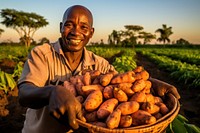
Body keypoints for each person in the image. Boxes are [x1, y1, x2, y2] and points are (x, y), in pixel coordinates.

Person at [18, 5, 180, 133]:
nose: (75, 32)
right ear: (61, 27)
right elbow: (24, 93)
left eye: (83, 27)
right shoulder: (42, 54)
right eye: (69, 25)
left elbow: (121, 82)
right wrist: (52, 92)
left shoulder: (99, 64)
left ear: (91, 33)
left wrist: (150, 82)